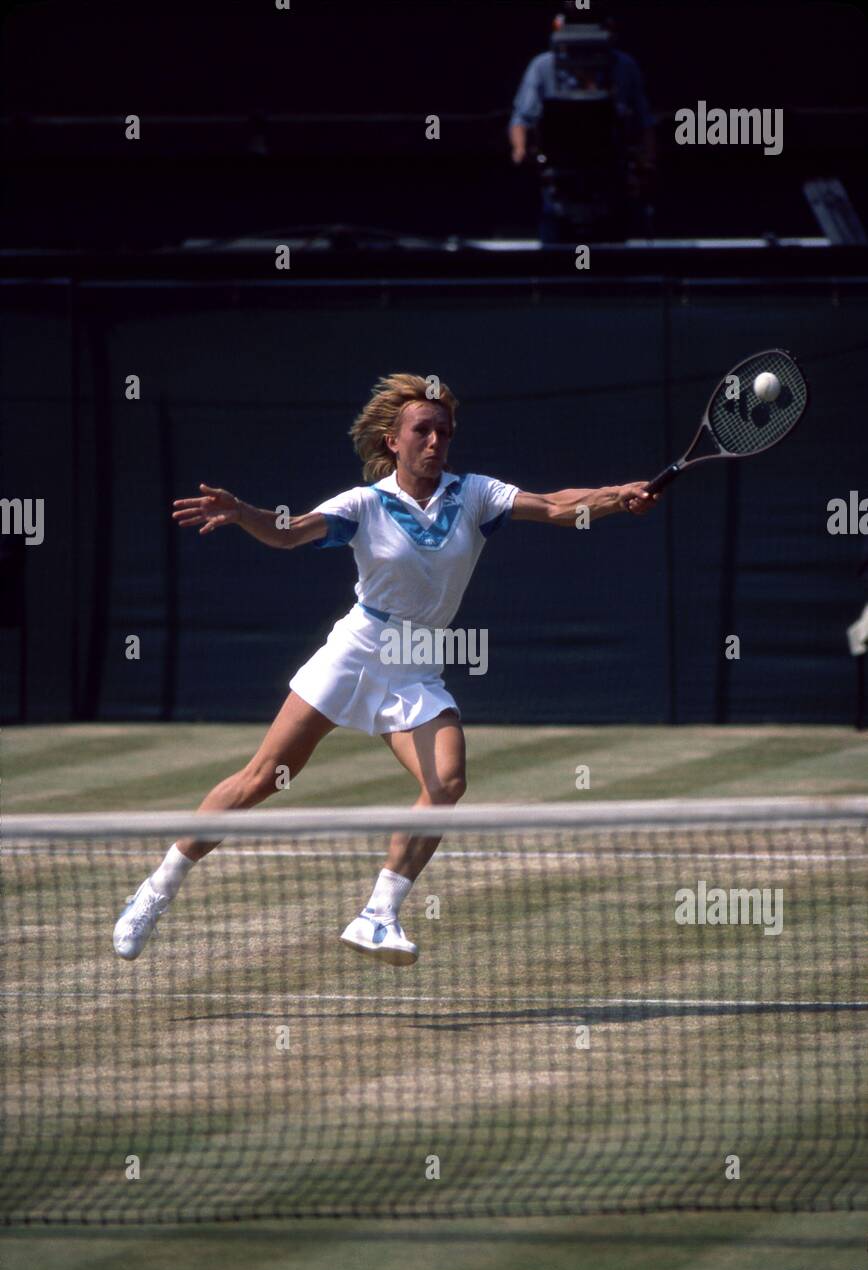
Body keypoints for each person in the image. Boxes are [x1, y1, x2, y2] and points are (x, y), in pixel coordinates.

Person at [112, 373, 657, 966]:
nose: (435, 442)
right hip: (357, 651)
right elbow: (290, 533)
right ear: (392, 441)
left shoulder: (474, 494)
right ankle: (156, 890)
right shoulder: (363, 504)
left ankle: (377, 915)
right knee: (263, 778)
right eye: (422, 431)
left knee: (446, 781)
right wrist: (244, 512)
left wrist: (614, 495)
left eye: (443, 432)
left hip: (418, 664)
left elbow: (555, 506)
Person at [509, 7, 656, 243]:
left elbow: (643, 120)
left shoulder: (624, 67)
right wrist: (521, 149)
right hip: (560, 183)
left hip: (610, 180)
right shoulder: (543, 67)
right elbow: (522, 119)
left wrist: (645, 163)